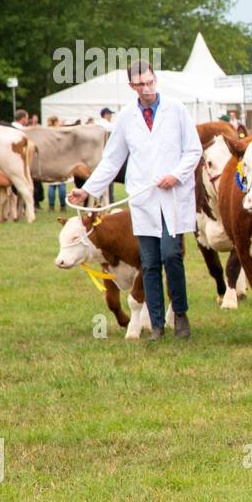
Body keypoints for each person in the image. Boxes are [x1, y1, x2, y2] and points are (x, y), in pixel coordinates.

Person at [68, 60, 201, 341]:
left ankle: (180, 314)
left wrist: (175, 175)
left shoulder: (176, 109)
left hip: (172, 196)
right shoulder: (127, 117)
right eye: (140, 84)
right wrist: (87, 190)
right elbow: (112, 159)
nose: (147, 88)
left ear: (156, 80)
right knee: (150, 263)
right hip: (143, 199)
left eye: (150, 82)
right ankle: (156, 325)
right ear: (132, 87)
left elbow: (193, 150)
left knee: (172, 255)